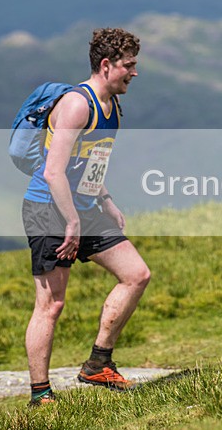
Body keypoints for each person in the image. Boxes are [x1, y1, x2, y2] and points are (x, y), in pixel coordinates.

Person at [23, 28, 151, 405]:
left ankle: (98, 363)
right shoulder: (78, 105)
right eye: (129, 65)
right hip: (48, 209)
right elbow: (53, 171)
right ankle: (40, 394)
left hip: (84, 208)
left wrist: (105, 198)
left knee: (136, 274)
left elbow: (90, 160)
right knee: (52, 303)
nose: (134, 73)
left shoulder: (112, 105)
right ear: (107, 65)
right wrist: (73, 224)